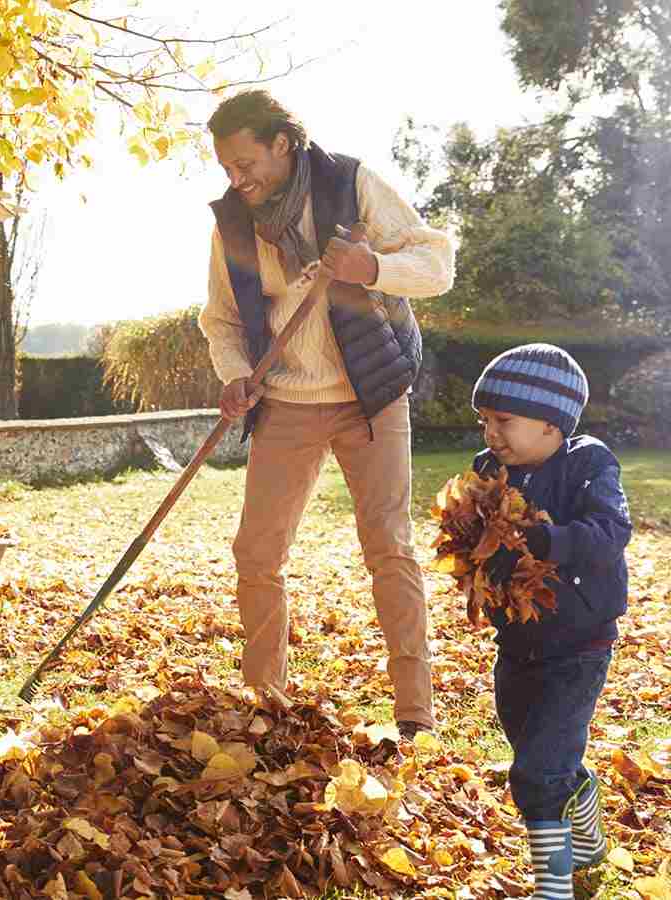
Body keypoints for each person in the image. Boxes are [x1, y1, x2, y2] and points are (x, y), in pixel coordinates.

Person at [198, 89, 455, 737]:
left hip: (370, 392)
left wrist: (372, 266)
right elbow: (222, 320)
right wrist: (234, 374)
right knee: (257, 552)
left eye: (245, 161)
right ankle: (266, 707)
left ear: (282, 143)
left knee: (387, 544)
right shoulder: (233, 222)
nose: (238, 177)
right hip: (286, 401)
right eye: (227, 167)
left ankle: (415, 716)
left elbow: (436, 264)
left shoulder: (350, 183)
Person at [468, 344, 628, 897]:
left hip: (579, 643)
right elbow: (480, 531)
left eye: (503, 420)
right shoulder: (491, 469)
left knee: (536, 772)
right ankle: (587, 833)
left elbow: (611, 533)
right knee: (541, 753)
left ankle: (551, 887)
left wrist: (549, 539)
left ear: (552, 421)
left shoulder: (590, 463)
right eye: (484, 420)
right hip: (517, 642)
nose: (490, 433)